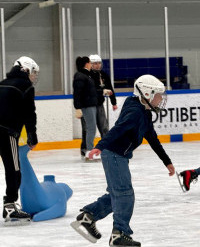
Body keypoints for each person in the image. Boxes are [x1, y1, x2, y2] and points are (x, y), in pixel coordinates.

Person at [70, 74, 175, 247]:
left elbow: (153, 138)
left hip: (118, 155)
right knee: (125, 194)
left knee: (117, 195)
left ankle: (88, 217)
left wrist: (167, 161)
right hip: (113, 154)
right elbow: (118, 129)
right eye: (158, 95)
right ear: (147, 94)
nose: (160, 100)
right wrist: (100, 146)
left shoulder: (144, 112)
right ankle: (120, 233)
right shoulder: (135, 112)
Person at [0, 56, 39, 223]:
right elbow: (29, 113)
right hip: (7, 133)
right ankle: (10, 206)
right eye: (33, 73)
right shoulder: (25, 86)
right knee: (14, 170)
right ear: (26, 69)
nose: (34, 77)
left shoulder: (2, 82)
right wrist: (32, 135)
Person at [79, 54, 118, 154]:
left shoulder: (104, 75)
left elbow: (110, 88)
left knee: (104, 127)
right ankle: (85, 149)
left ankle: (106, 146)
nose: (98, 65)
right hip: (87, 106)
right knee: (87, 128)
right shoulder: (85, 75)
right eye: (95, 63)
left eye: (99, 63)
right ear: (90, 64)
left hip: (99, 105)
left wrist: (113, 102)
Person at [73, 56, 98, 160]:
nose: (91, 64)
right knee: (91, 128)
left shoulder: (86, 75)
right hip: (87, 106)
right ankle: (89, 151)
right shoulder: (80, 76)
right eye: (90, 62)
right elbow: (77, 93)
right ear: (86, 64)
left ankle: (89, 150)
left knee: (91, 128)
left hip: (90, 104)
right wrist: (78, 108)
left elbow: (89, 90)